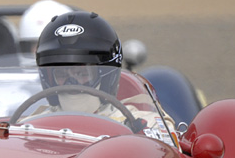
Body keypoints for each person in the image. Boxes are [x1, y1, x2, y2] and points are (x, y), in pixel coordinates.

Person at [33, 10, 176, 145]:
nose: (72, 83)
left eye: (82, 73)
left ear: (106, 76)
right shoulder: (31, 124)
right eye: (61, 74)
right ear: (48, 78)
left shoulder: (143, 124)